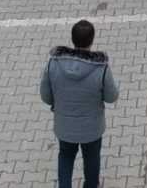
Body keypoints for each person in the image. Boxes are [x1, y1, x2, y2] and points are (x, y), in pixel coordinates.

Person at [39, 19, 119, 188]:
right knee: (92, 159)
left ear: (72, 39)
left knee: (66, 157)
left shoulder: (53, 63)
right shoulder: (101, 67)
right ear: (92, 40)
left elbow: (46, 97)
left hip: (64, 126)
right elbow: (111, 97)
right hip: (92, 128)